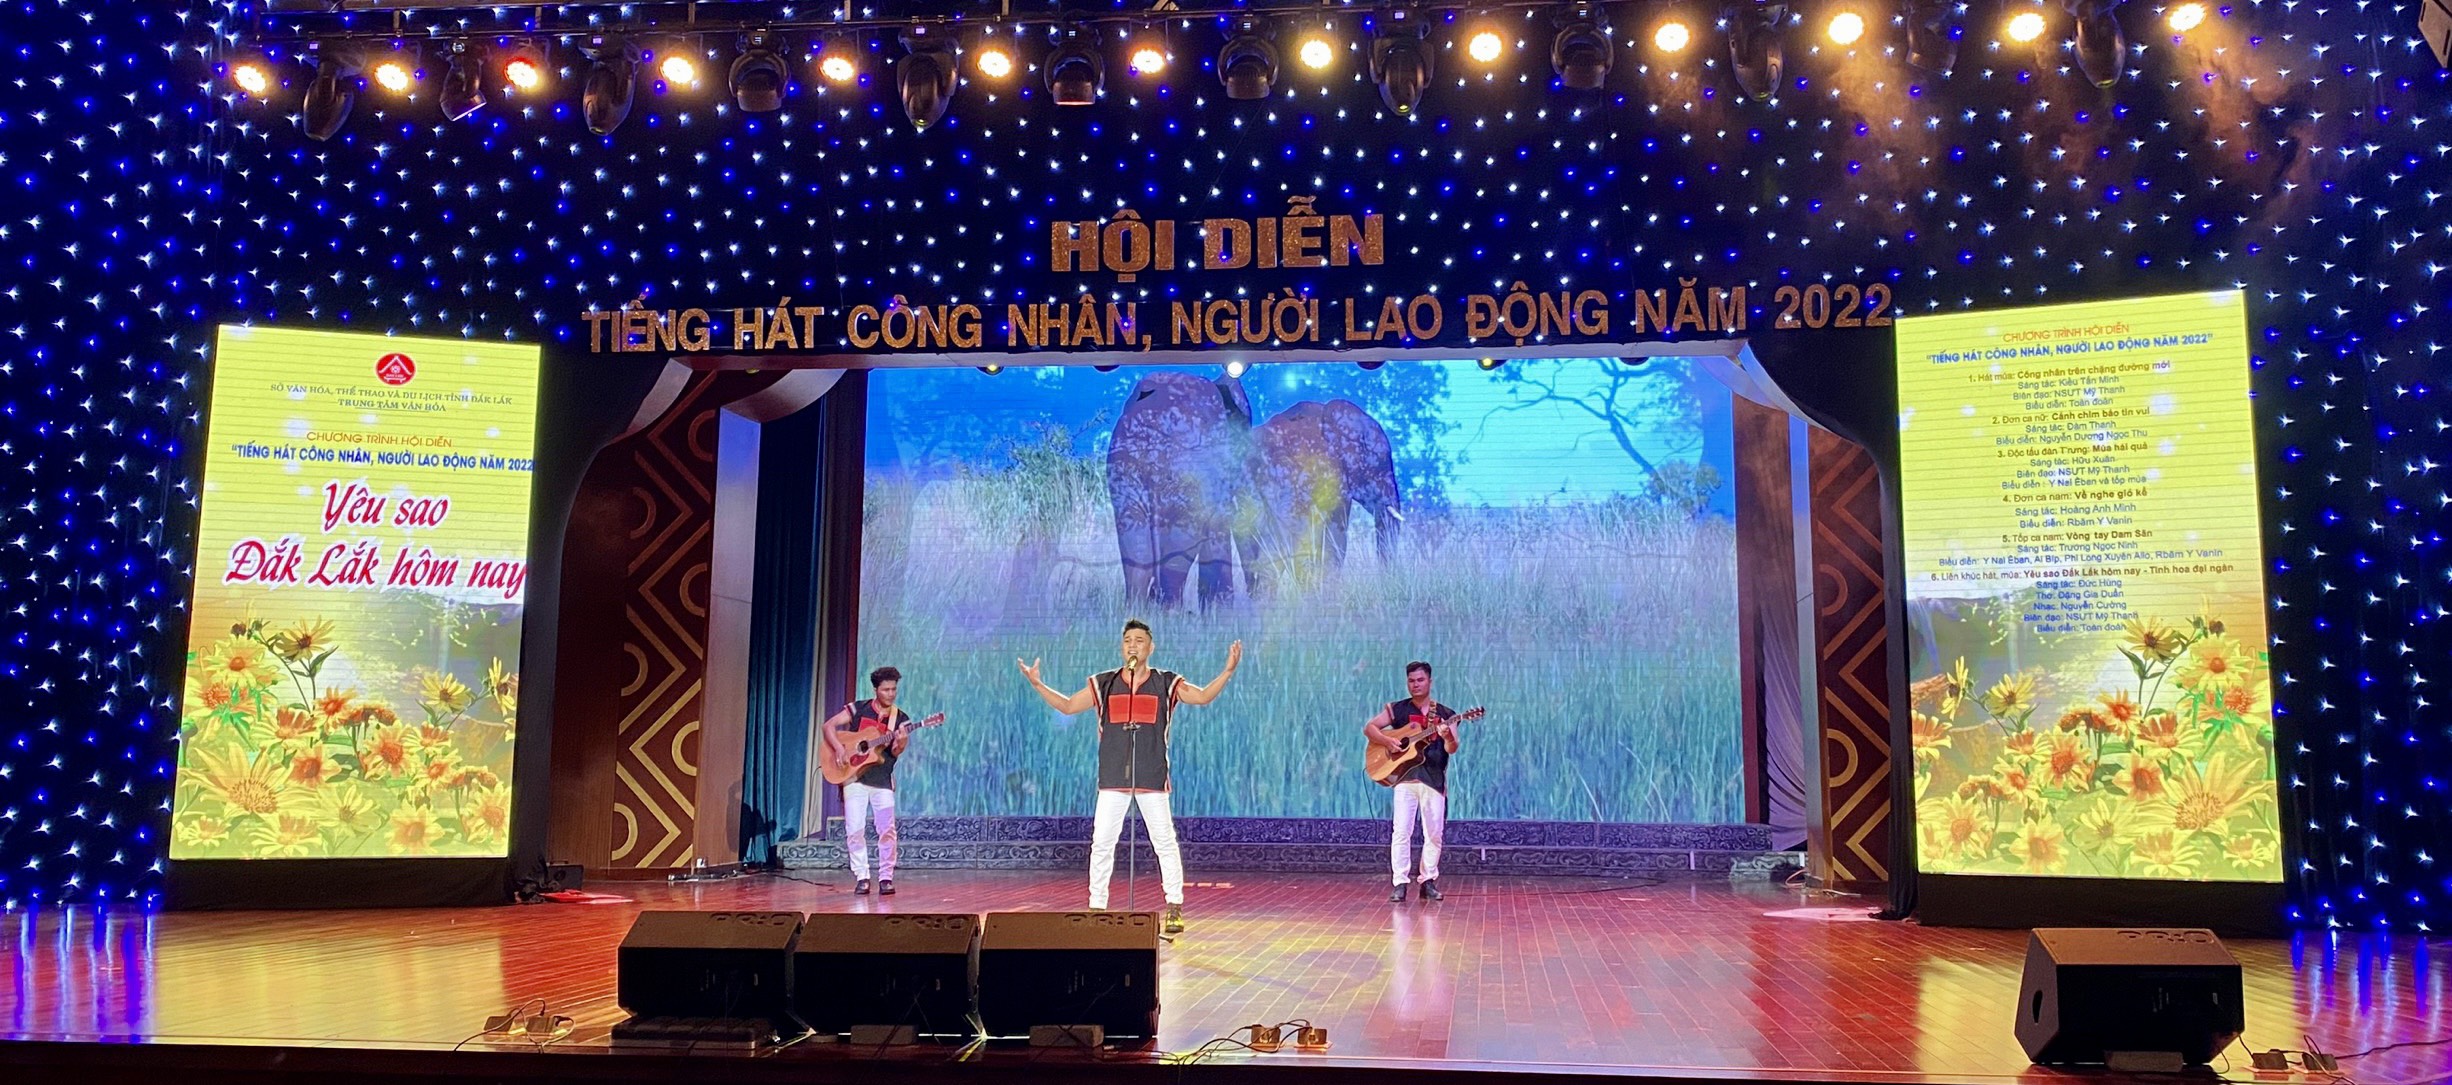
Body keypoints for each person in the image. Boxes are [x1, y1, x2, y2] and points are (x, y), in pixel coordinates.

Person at [1018, 619, 1241, 934]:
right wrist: (1038, 684)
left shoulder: (1166, 683)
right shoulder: (1104, 683)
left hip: (1151, 775)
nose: (1132, 646)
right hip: (1113, 777)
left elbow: (1202, 696)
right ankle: (1097, 907)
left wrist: (1228, 671)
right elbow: (1068, 705)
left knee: (1164, 842)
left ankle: (1174, 906)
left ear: (1151, 647)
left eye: (1139, 640)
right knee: (1102, 842)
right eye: (1127, 641)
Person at [1366, 661, 1459, 902]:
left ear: (1430, 681)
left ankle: (1428, 881)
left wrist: (1447, 737)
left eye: (1420, 680)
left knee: (1434, 833)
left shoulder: (1446, 714)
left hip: (1433, 779)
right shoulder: (1398, 709)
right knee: (1401, 831)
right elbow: (1370, 728)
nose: (1416, 685)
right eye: (1411, 681)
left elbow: (1452, 747)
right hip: (1405, 778)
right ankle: (1400, 883)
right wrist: (1388, 741)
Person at [820, 666, 913, 896]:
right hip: (854, 777)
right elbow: (828, 726)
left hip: (881, 779)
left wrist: (901, 742)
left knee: (887, 829)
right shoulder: (859, 708)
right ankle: (862, 876)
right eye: (886, 689)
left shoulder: (900, 719)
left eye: (894, 689)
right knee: (854, 829)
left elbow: (896, 751)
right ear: (875, 690)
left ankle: (886, 877)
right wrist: (839, 748)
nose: (891, 694)